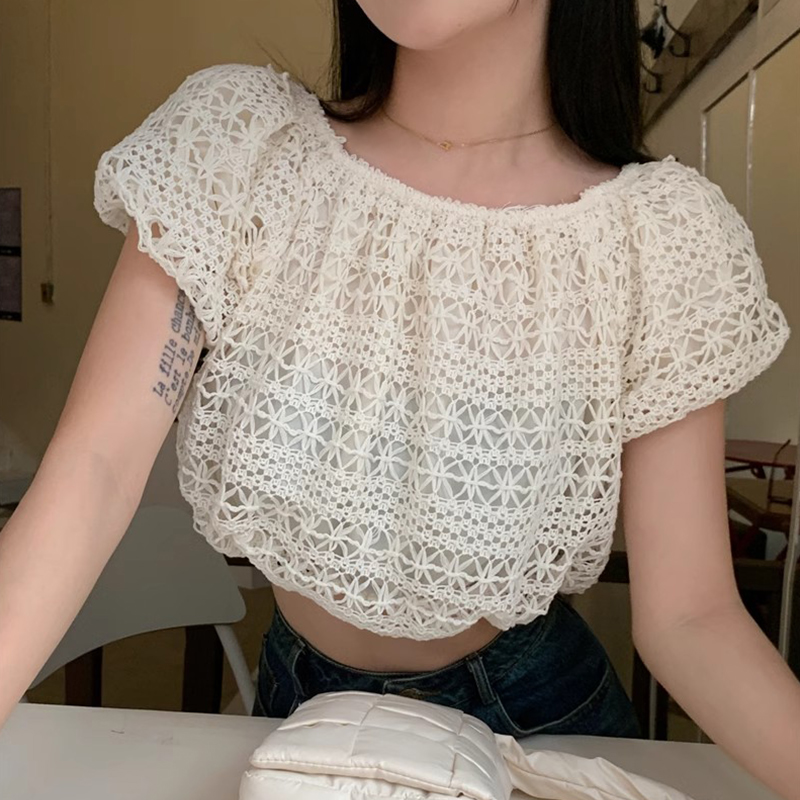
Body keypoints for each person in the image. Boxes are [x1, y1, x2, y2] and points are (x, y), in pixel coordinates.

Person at [0, 0, 798, 796]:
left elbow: (691, 615)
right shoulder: (241, 149)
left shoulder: (661, 235)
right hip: (300, 717)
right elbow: (94, 471)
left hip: (537, 726)